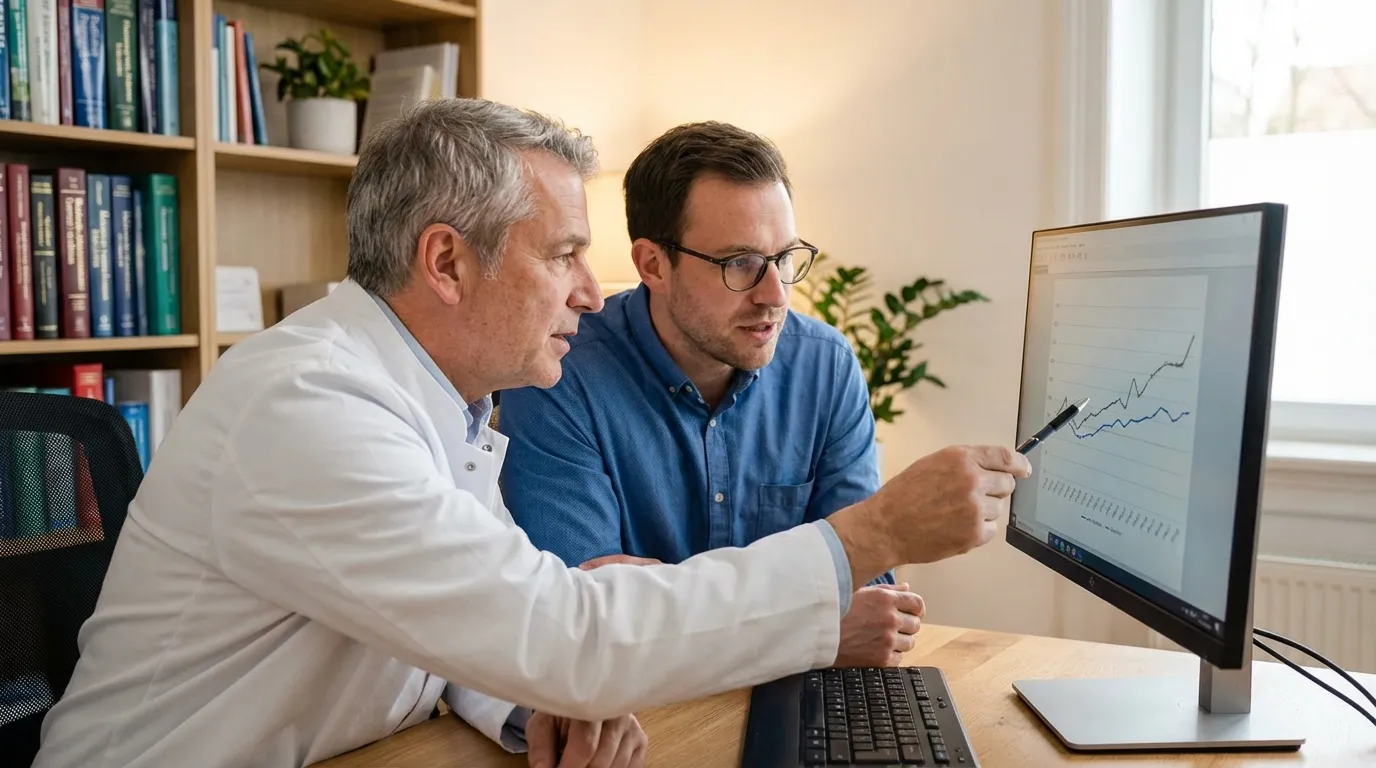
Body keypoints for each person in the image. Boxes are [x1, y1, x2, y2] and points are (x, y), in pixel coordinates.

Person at [32, 98, 1029, 768]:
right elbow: (562, 628)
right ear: (446, 262)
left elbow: (456, 624)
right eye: (561, 255)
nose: (592, 294)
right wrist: (869, 537)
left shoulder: (438, 402)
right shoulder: (309, 410)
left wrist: (522, 707)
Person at [498, 121, 923, 667]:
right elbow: (582, 618)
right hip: (639, 720)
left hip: (795, 704)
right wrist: (803, 623)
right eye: (739, 263)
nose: (775, 296)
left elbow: (866, 584)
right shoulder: (560, 375)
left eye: (784, 257)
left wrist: (664, 607)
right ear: (653, 264)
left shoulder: (825, 364)